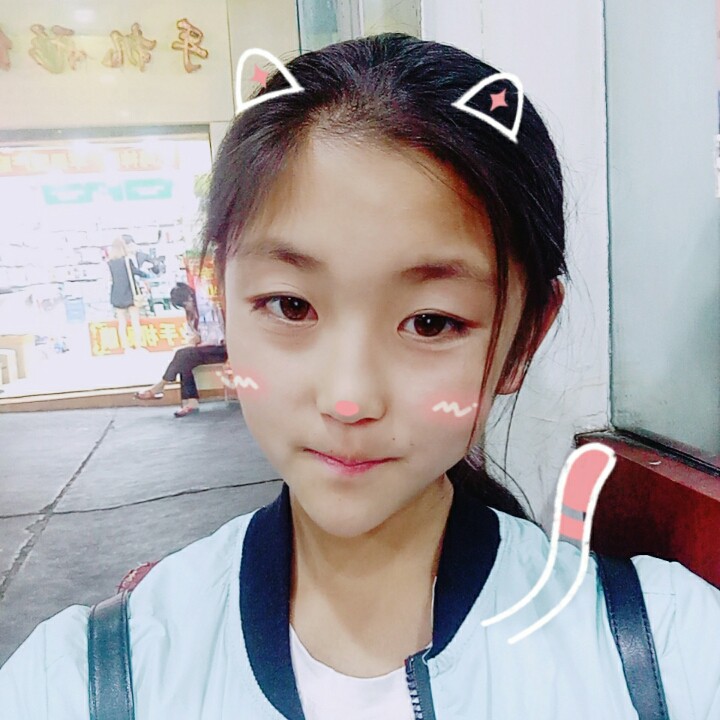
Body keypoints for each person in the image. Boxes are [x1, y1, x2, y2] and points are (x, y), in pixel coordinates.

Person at [2, 34, 719, 719]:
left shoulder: (671, 650)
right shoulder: (87, 679)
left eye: (431, 322)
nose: (348, 399)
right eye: (291, 306)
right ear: (223, 297)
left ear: (524, 337)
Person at [133, 282, 228, 417]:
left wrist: (197, 344)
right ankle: (190, 402)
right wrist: (193, 342)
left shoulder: (208, 308)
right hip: (206, 349)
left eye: (184, 304)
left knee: (183, 355)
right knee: (184, 360)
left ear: (190, 297)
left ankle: (161, 386)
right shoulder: (191, 314)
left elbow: (217, 337)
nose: (185, 307)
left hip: (221, 349)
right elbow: (192, 334)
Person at [106, 236, 144, 351]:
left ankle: (125, 347)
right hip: (130, 295)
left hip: (117, 296)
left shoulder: (109, 263)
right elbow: (137, 272)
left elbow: (110, 280)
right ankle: (138, 345)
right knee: (135, 322)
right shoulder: (127, 261)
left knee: (121, 323)